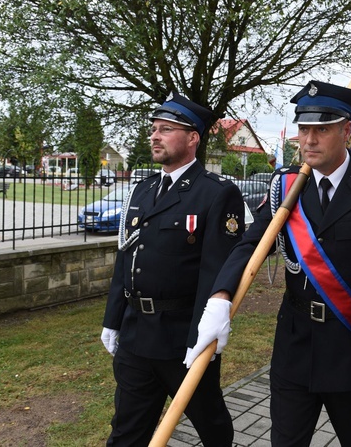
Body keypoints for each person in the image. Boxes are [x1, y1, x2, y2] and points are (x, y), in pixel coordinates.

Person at [185, 80, 351, 446]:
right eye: (304, 129)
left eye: (322, 129)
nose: (310, 140)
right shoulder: (285, 185)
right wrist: (220, 295)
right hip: (294, 345)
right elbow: (249, 245)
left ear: (347, 131)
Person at [101, 92, 245, 446]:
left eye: (166, 130)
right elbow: (126, 257)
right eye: (153, 129)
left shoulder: (216, 193)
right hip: (136, 337)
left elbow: (217, 270)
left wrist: (203, 334)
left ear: (193, 138)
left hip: (183, 339)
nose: (154, 136)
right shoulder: (143, 189)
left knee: (212, 428)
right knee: (126, 433)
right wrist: (112, 318)